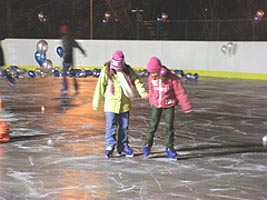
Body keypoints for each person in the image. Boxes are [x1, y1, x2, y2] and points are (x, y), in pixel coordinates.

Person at [92, 50, 148, 158]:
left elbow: (136, 80)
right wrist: (96, 102)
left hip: (124, 105)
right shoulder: (106, 71)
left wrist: (142, 92)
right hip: (110, 105)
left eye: (119, 67)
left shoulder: (127, 71)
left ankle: (123, 146)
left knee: (124, 127)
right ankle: (110, 146)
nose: (118, 69)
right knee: (111, 126)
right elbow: (100, 87)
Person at [143, 57, 192, 160]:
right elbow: (151, 90)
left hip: (169, 104)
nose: (152, 75)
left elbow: (180, 92)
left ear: (158, 71)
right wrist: (152, 100)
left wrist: (186, 106)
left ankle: (169, 147)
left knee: (169, 126)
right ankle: (147, 144)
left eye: (153, 73)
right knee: (153, 124)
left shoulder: (171, 78)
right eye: (150, 73)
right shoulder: (151, 78)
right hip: (157, 104)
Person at [60, 24, 86, 94]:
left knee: (64, 73)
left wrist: (64, 55)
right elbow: (76, 45)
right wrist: (82, 51)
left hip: (67, 57)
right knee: (73, 73)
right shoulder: (70, 38)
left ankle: (65, 87)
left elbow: (66, 48)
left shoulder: (64, 39)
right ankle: (76, 86)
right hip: (71, 57)